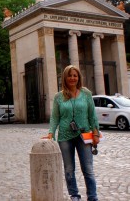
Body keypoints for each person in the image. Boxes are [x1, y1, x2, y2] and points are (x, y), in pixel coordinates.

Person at [47, 65, 100, 201]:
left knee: (88, 168)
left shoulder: (86, 93)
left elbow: (92, 114)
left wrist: (95, 133)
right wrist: (51, 132)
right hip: (65, 136)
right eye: (69, 75)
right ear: (65, 78)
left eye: (75, 75)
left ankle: (93, 197)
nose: (72, 78)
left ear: (78, 77)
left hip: (84, 135)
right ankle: (74, 195)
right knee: (69, 169)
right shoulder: (59, 97)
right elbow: (55, 117)